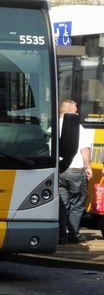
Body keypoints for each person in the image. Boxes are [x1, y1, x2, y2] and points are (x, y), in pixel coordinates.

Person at [58, 99, 92, 245]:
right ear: (70, 112)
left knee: (62, 204)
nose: (77, 114)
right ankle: (73, 234)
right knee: (77, 204)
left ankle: (61, 236)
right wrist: (88, 166)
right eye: (76, 111)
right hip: (75, 171)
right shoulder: (78, 128)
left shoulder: (50, 126)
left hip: (59, 171)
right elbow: (84, 150)